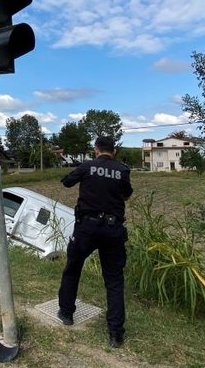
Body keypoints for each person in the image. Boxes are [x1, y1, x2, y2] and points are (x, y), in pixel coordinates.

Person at [56, 136, 133, 348]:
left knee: (73, 268)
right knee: (114, 281)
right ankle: (115, 334)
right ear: (114, 151)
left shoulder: (87, 166)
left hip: (86, 229)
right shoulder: (122, 170)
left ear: (95, 150)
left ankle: (67, 313)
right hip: (113, 229)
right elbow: (126, 195)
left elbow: (66, 182)